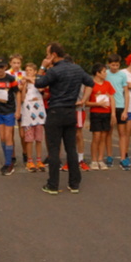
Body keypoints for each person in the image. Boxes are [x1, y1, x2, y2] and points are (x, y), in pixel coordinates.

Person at [35, 42, 94, 195]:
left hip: (55, 112)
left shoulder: (54, 71)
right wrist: (83, 100)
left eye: (48, 54)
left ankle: (53, 184)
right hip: (70, 111)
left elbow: (38, 83)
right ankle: (74, 183)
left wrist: (42, 67)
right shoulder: (77, 68)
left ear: (54, 54)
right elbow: (90, 82)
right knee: (71, 148)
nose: (47, 57)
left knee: (54, 150)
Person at [0, 57, 20, 176]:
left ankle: (8, 163)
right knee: (2, 137)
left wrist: (18, 110)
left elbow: (17, 93)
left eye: (2, 67)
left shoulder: (10, 78)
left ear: (6, 67)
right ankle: (8, 157)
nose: (0, 69)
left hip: (9, 110)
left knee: (8, 136)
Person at [85, 63, 116, 170]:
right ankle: (93, 160)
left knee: (104, 136)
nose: (105, 73)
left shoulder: (107, 84)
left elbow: (112, 98)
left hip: (106, 113)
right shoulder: (90, 84)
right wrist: (98, 104)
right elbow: (86, 102)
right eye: (103, 71)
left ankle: (100, 159)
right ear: (97, 73)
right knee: (96, 136)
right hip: (96, 113)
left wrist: (113, 113)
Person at [19, 63, 47, 171]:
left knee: (39, 138)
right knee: (29, 139)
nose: (28, 72)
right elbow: (22, 98)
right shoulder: (24, 82)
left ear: (35, 71)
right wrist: (24, 85)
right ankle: (30, 161)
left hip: (38, 113)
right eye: (27, 70)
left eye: (30, 70)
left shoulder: (39, 81)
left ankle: (39, 160)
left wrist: (32, 80)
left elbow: (41, 90)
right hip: (28, 114)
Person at [105, 53, 129, 168]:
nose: (115, 67)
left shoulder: (122, 75)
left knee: (122, 133)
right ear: (109, 64)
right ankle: (109, 156)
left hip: (120, 105)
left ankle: (123, 157)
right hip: (108, 106)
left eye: (117, 65)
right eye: (113, 65)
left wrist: (126, 110)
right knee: (108, 132)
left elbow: (126, 92)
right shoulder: (106, 74)